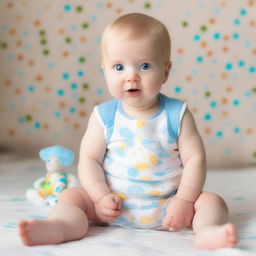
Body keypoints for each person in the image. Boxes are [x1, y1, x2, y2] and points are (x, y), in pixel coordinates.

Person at [19, 13, 238, 250]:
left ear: (165, 72)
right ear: (105, 71)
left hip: (170, 206)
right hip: (112, 206)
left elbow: (195, 158)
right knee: (72, 197)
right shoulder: (104, 116)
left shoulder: (177, 114)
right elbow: (89, 160)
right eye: (119, 67)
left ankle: (209, 232)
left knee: (212, 202)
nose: (131, 76)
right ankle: (59, 226)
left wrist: (185, 200)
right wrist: (100, 196)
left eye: (144, 66)